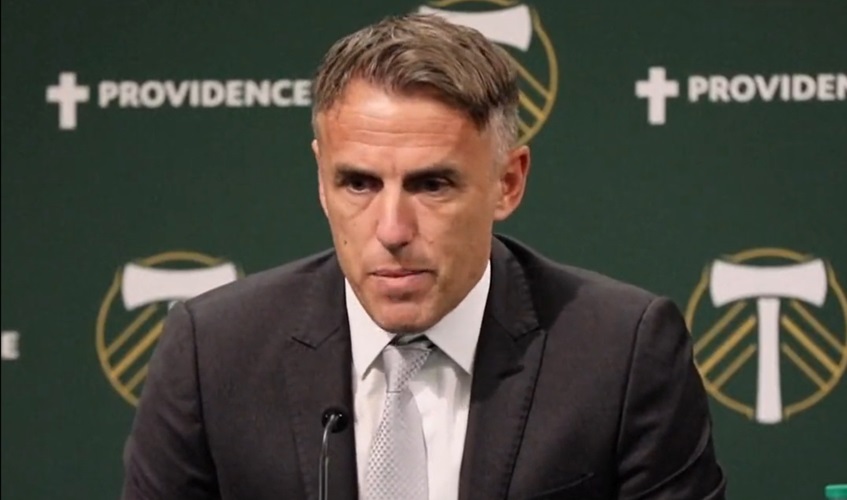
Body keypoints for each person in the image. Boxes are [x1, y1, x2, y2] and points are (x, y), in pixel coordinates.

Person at [120, 13, 727, 500]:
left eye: (432, 185)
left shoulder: (622, 355)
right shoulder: (212, 354)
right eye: (358, 183)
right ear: (321, 180)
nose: (392, 229)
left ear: (508, 183)